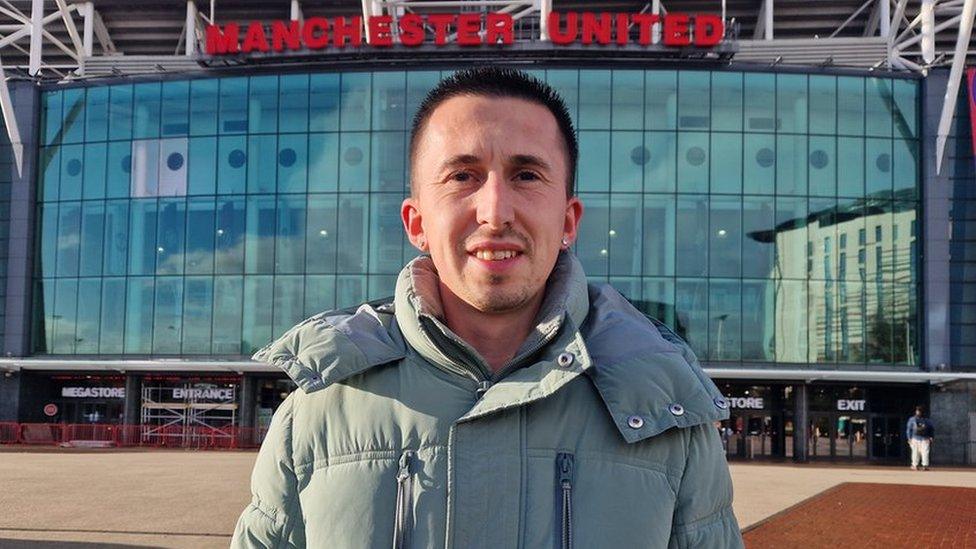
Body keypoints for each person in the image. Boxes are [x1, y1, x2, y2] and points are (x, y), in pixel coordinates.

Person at [231, 67, 743, 548]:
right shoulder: (317, 411)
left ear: (568, 221)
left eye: (526, 175)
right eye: (462, 176)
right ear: (416, 223)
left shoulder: (667, 412)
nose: (495, 211)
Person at [906, 405, 935, 470]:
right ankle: (918, 465)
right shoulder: (915, 419)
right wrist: (909, 438)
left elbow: (931, 429)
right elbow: (909, 429)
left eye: (919, 411)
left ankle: (921, 465)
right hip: (917, 438)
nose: (918, 412)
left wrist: (931, 437)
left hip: (922, 438)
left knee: (922, 452)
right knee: (918, 452)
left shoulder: (914, 419)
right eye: (917, 411)